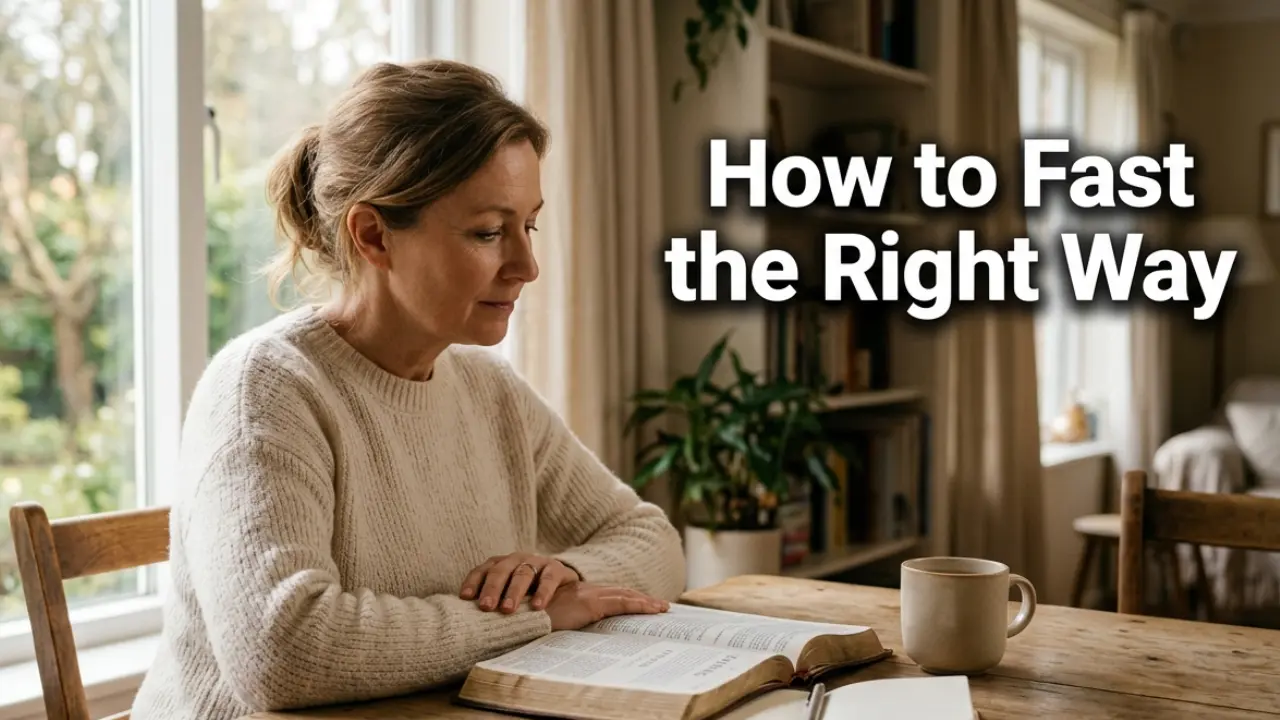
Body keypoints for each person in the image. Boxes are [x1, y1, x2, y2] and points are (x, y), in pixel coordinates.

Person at [129, 59, 686, 720]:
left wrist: (567, 576)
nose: (526, 266)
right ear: (373, 235)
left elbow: (652, 540)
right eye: (487, 232)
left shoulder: (491, 391)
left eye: (527, 226)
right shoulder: (265, 392)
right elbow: (283, 651)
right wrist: (532, 618)